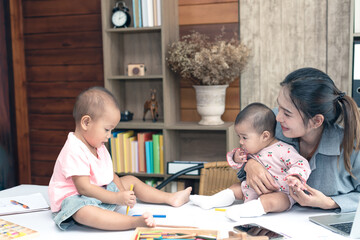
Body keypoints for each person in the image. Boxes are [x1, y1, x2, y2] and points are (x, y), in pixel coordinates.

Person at [48, 86, 192, 231]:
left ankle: (170, 198)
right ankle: (132, 222)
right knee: (83, 213)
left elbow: (110, 175)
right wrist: (116, 198)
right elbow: (84, 188)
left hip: (96, 192)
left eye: (112, 130)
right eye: (106, 129)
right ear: (86, 123)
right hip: (74, 199)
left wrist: (122, 191)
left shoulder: (98, 145)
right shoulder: (74, 149)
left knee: (130, 180)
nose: (109, 135)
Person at [239, 67, 360, 214]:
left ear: (316, 121)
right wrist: (250, 164)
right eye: (279, 106)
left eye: (287, 113)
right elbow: (243, 150)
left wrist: (328, 203)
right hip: (271, 222)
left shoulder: (352, 147)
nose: (278, 117)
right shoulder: (273, 125)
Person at [190, 103, 311, 221]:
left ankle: (242, 211)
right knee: (235, 188)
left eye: (244, 137)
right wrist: (237, 158)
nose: (241, 142)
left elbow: (301, 163)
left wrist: (295, 176)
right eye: (239, 137)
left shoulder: (284, 150)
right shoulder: (251, 150)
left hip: (281, 194)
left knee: (271, 201)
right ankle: (211, 201)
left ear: (265, 136)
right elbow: (236, 165)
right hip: (251, 191)